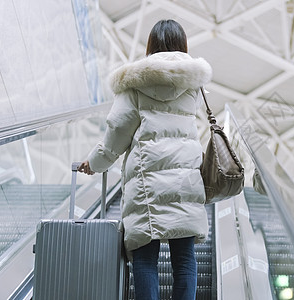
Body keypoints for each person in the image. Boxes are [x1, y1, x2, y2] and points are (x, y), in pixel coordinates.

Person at [77, 19, 211, 300]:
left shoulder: (135, 82)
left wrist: (95, 163)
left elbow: (118, 131)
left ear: (149, 45)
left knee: (146, 258)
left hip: (147, 181)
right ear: (182, 44)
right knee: (185, 259)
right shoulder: (193, 84)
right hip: (185, 178)